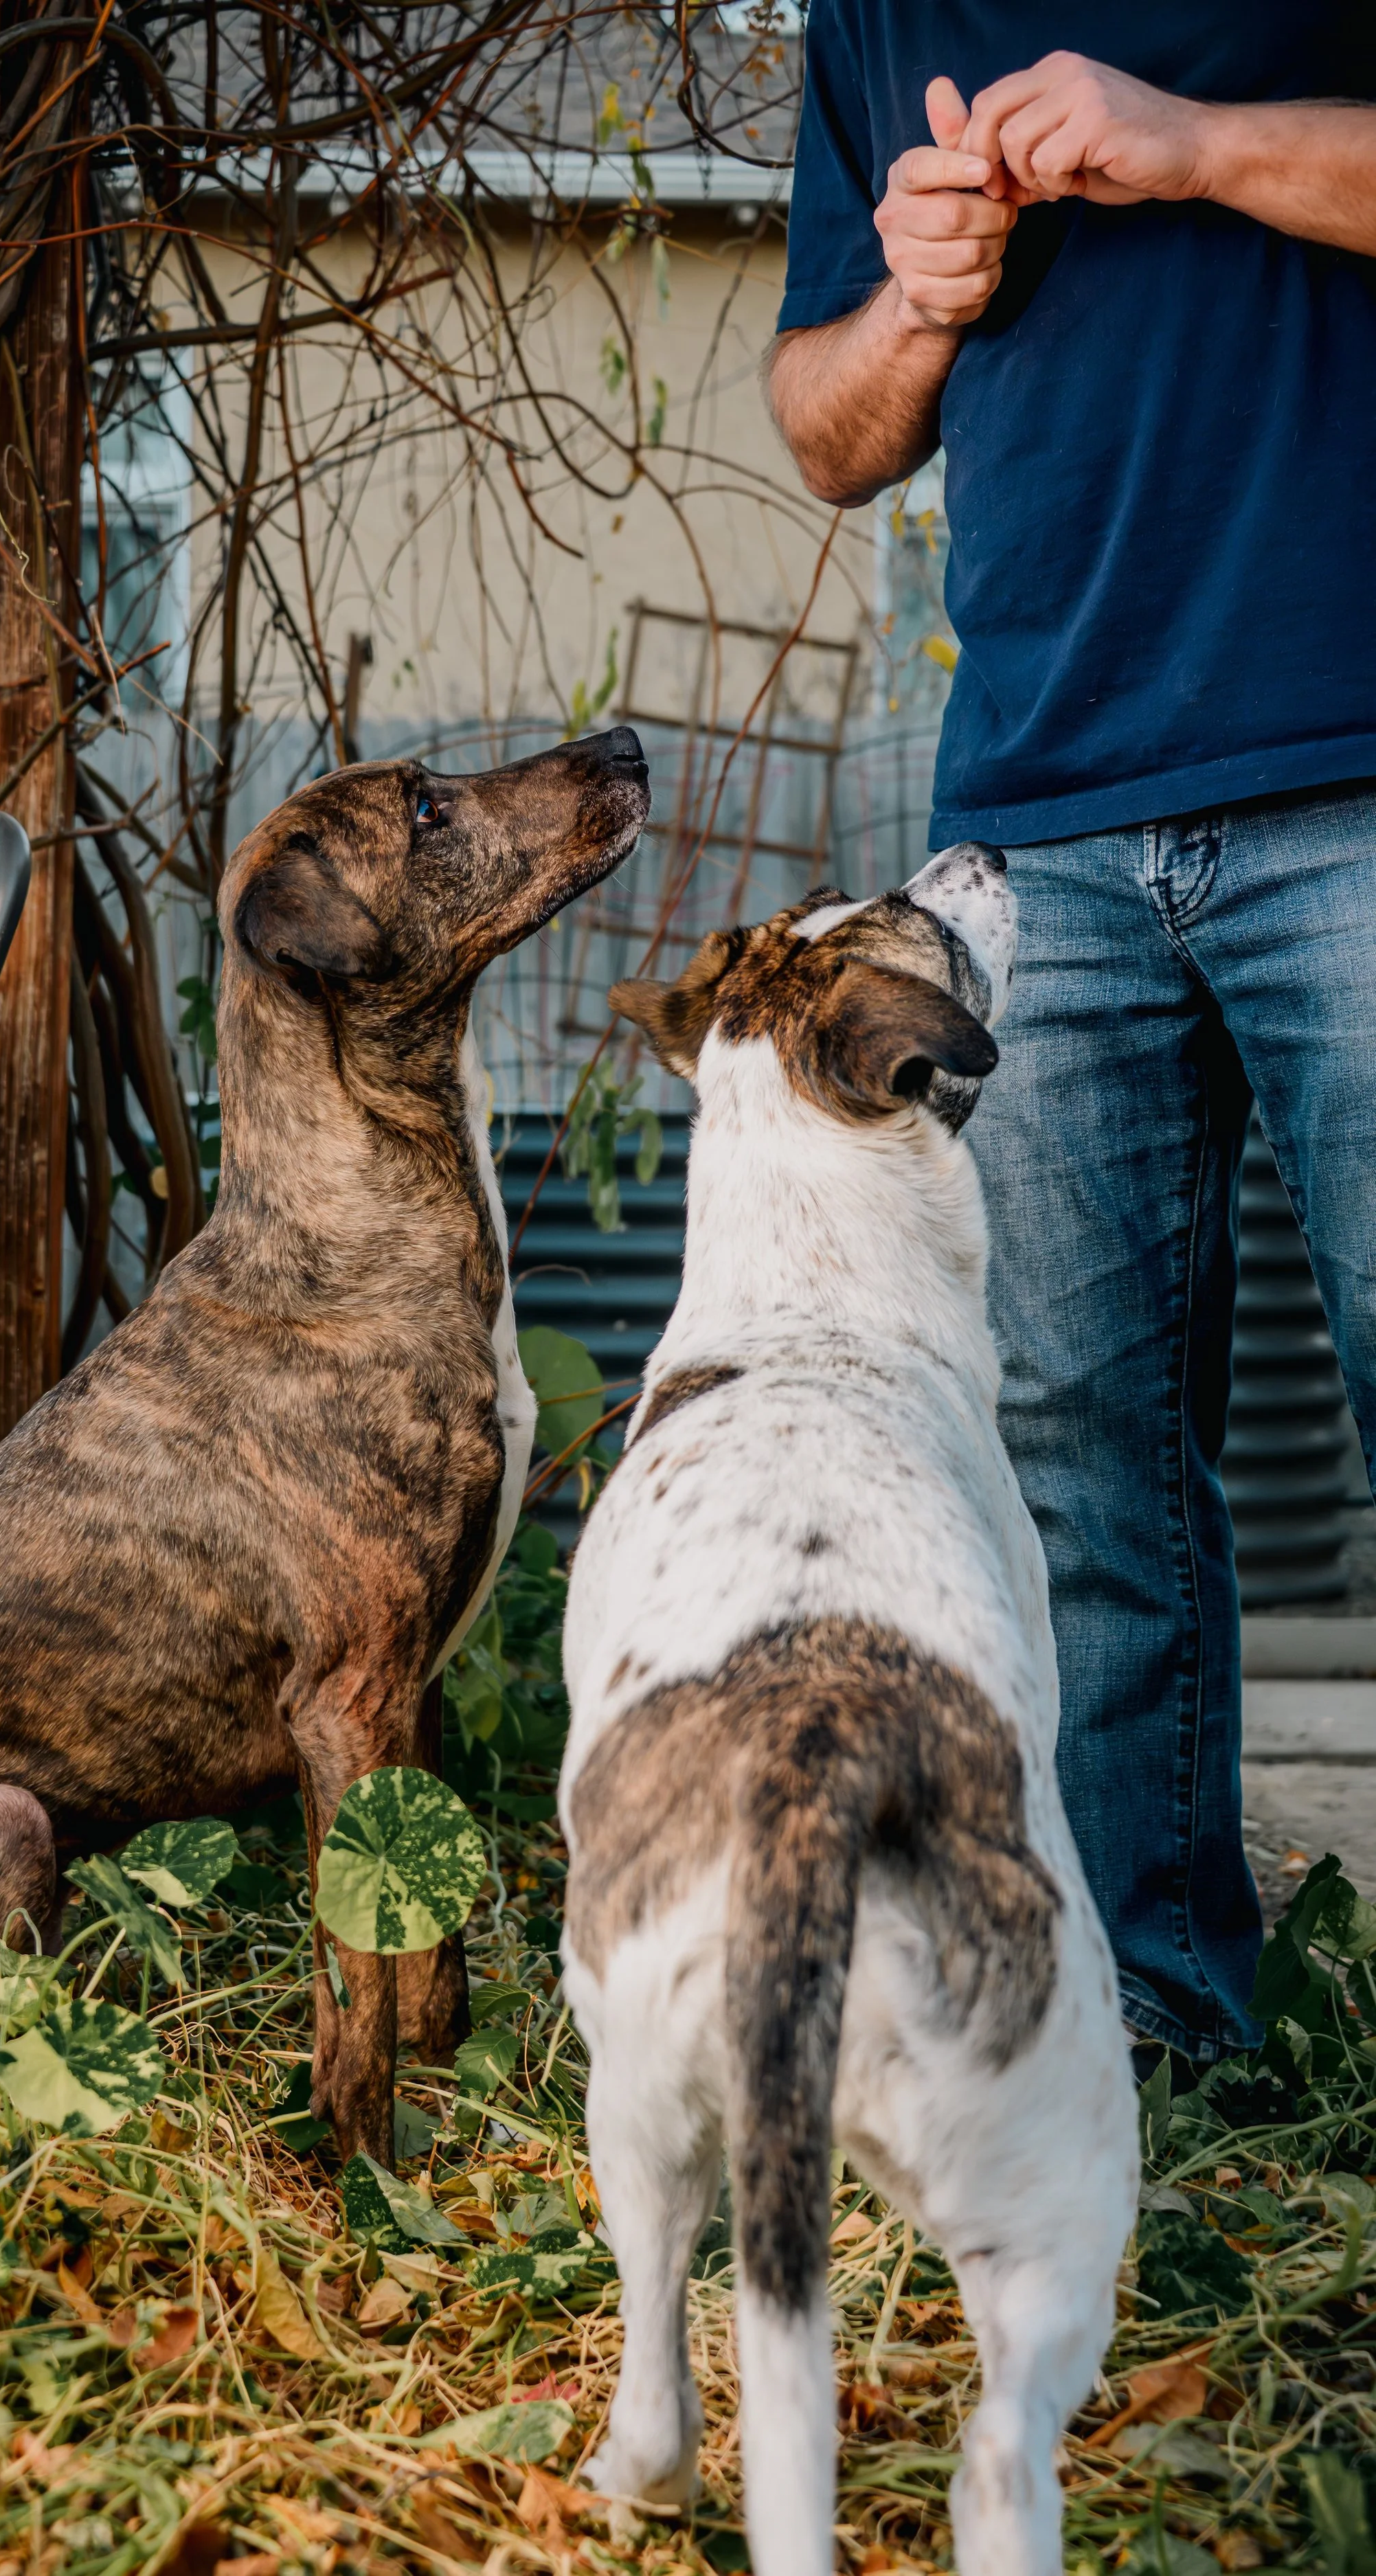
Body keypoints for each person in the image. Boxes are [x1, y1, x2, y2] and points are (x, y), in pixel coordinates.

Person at [767, 14, 1376, 2069]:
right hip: (1037, 824)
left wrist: (1195, 142)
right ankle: (1166, 2052)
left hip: (1353, 778)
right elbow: (824, 425)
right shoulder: (875, 16)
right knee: (1083, 1477)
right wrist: (917, 310)